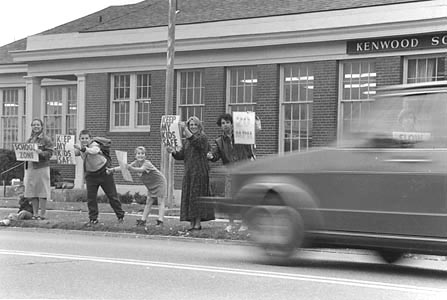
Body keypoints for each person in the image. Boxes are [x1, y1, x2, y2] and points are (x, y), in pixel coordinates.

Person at [207, 113, 255, 232]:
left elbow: (249, 151)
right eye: (223, 123)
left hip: (243, 170)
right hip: (230, 172)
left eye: (227, 122)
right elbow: (216, 155)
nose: (225, 125)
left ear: (232, 124)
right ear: (220, 126)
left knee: (244, 198)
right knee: (229, 198)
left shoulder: (241, 136)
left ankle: (245, 223)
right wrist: (211, 156)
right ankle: (231, 223)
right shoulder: (219, 141)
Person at [167, 116, 215, 231]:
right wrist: (173, 152)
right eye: (191, 125)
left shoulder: (202, 137)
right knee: (189, 197)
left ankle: (198, 223)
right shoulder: (187, 141)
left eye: (195, 125)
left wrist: (185, 129)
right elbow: (181, 155)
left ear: (199, 126)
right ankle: (192, 222)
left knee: (197, 197)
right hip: (189, 172)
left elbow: (197, 142)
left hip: (199, 172)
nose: (193, 127)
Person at [74, 129, 125, 225]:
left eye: (86, 138)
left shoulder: (94, 144)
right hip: (91, 175)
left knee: (112, 196)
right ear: (79, 139)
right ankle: (93, 219)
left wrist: (83, 149)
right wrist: (62, 149)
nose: (84, 140)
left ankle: (120, 215)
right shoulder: (81, 148)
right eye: (82, 138)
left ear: (90, 139)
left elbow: (94, 151)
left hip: (104, 172)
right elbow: (73, 153)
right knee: (91, 198)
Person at [108, 146, 167, 228]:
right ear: (135, 155)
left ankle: (160, 221)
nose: (140, 155)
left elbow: (141, 170)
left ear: (145, 155)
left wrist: (131, 168)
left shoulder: (147, 163)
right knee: (149, 202)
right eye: (138, 153)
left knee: (160, 202)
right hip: (150, 185)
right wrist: (112, 170)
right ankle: (143, 220)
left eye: (142, 153)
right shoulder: (135, 163)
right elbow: (124, 167)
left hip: (159, 182)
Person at [23, 118, 53, 220]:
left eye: (38, 125)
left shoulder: (46, 139)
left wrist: (41, 152)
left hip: (41, 167)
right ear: (31, 126)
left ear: (42, 126)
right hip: (31, 167)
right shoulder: (29, 140)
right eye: (34, 125)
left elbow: (50, 153)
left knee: (42, 190)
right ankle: (35, 214)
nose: (36, 127)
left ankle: (43, 214)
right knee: (33, 191)